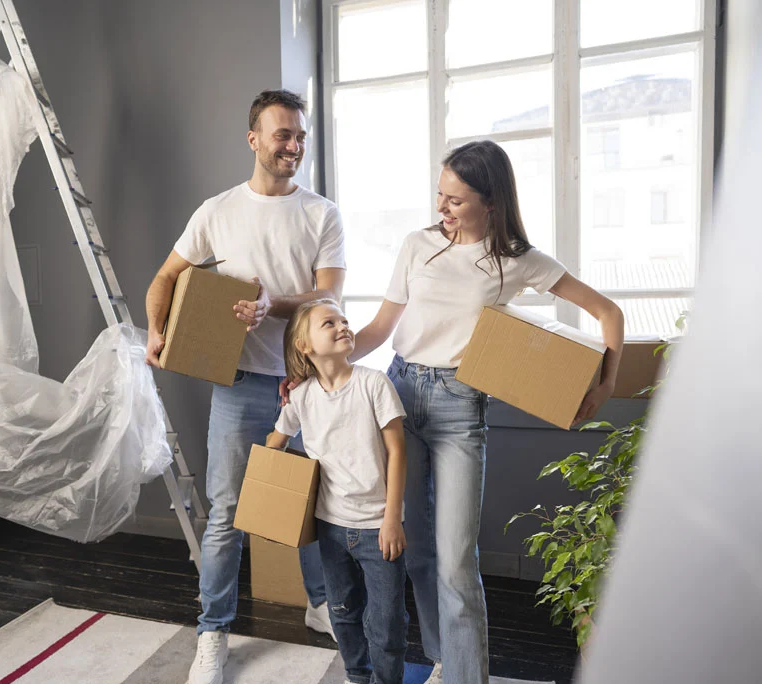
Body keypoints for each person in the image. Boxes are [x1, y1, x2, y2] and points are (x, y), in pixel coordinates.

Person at [348, 140, 625, 684]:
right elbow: (380, 330)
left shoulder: (518, 260)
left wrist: (608, 380)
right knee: (419, 552)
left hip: (460, 407)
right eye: (439, 195)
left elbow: (607, 312)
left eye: (455, 200)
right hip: (401, 393)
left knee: (455, 562)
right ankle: (442, 661)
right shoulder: (417, 245)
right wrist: (320, 366)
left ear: (490, 201)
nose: (441, 209)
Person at [143, 89, 346, 684]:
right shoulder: (217, 212)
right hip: (236, 384)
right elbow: (165, 278)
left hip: (305, 383)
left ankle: (319, 606)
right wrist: (158, 331)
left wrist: (271, 305)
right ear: (253, 139)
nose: (294, 146)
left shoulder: (321, 213)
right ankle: (213, 633)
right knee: (229, 514)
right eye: (283, 135)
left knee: (313, 501)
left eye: (301, 136)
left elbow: (328, 297)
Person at [269, 298, 408, 684]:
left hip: (378, 528)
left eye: (344, 320)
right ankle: (356, 676)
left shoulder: (374, 384)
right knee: (343, 611)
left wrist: (392, 519)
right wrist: (269, 480)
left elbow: (397, 453)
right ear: (305, 346)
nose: (343, 326)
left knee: (387, 622)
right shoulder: (301, 397)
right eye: (329, 323)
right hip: (329, 527)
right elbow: (274, 443)